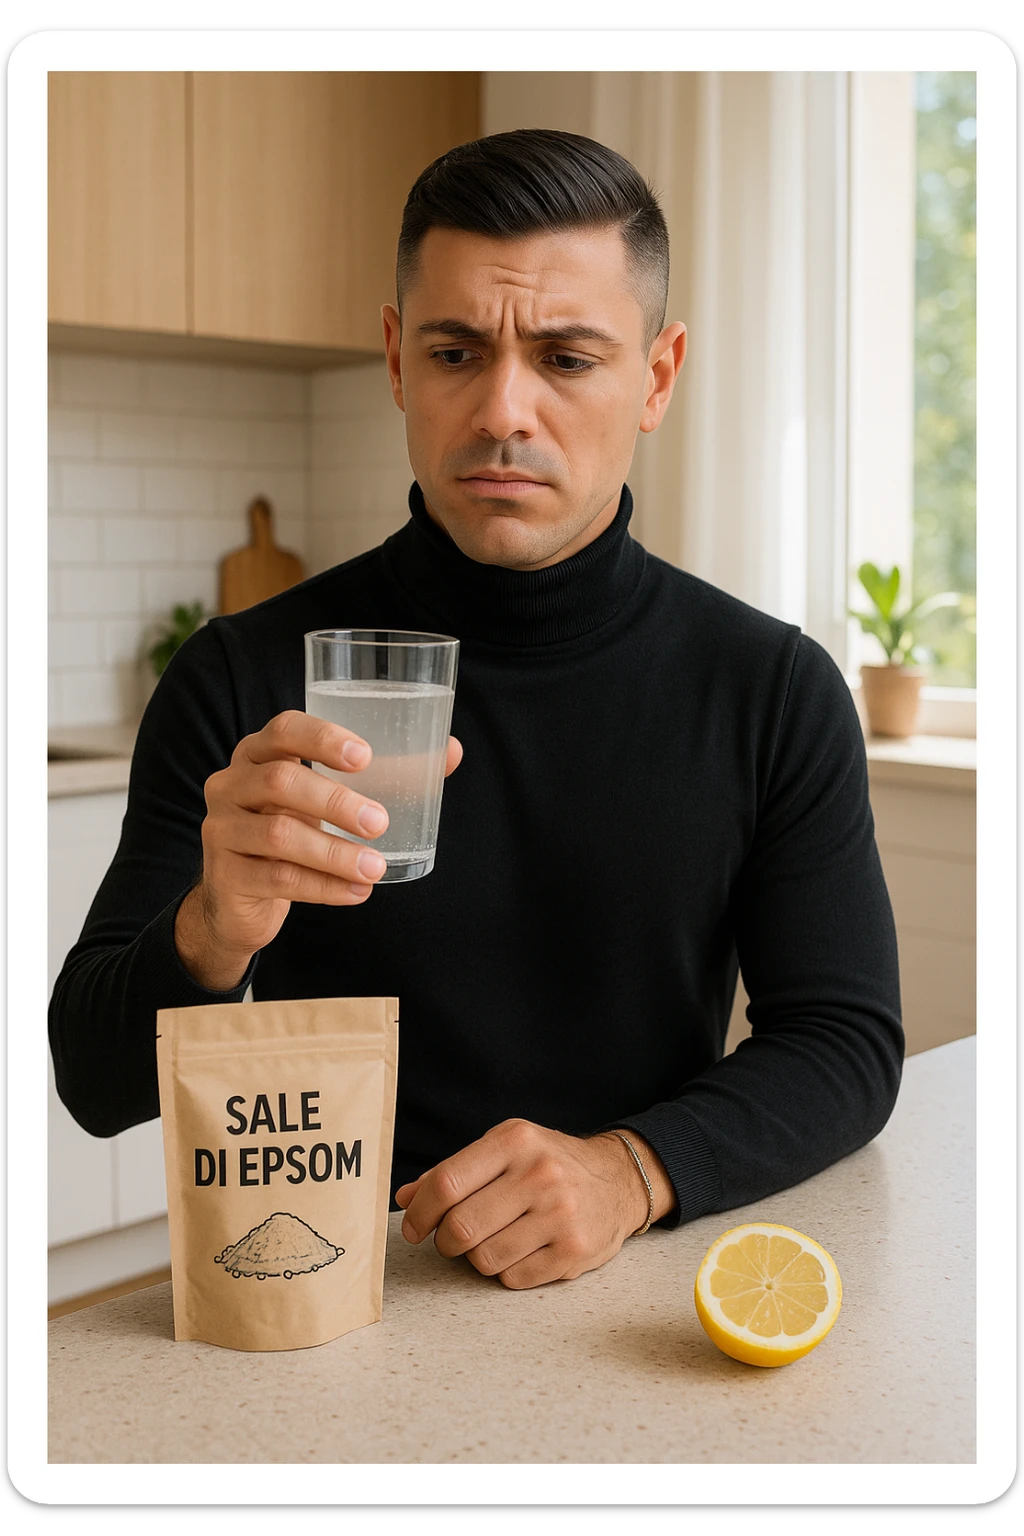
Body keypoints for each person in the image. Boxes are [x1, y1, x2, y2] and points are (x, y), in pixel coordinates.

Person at [49, 128, 903, 1291]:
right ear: (398, 361)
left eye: (565, 358)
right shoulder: (243, 674)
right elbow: (91, 1085)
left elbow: (845, 1043)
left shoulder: (771, 689)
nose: (504, 411)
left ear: (655, 377)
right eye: (457, 352)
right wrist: (210, 929)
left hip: (632, 1282)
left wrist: (633, 1169)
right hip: (322, 1290)